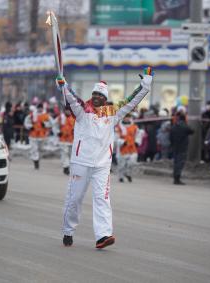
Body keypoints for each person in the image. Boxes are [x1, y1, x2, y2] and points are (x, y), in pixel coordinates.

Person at [56, 67, 154, 249]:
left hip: (102, 165)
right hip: (81, 163)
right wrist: (64, 86)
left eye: (100, 95)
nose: (96, 97)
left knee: (102, 199)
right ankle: (68, 231)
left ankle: (103, 235)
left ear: (105, 98)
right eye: (94, 94)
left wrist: (145, 84)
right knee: (74, 199)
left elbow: (132, 101)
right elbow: (72, 98)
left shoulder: (113, 112)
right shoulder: (81, 110)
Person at [24, 103, 53, 169]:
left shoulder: (46, 116)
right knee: (34, 149)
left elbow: (52, 123)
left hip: (42, 136)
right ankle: (36, 162)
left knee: (40, 149)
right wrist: (30, 127)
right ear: (37, 108)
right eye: (39, 107)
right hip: (33, 135)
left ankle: (37, 159)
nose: (40, 109)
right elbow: (26, 122)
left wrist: (45, 125)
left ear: (42, 108)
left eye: (41, 107)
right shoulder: (32, 115)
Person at [169, 112, 194, 185]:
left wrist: (172, 144)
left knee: (176, 162)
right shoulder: (185, 126)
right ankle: (177, 178)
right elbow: (192, 131)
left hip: (175, 147)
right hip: (183, 147)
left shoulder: (174, 126)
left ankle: (175, 178)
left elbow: (170, 137)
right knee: (180, 163)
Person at [115, 114, 141, 182]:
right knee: (121, 164)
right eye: (125, 117)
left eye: (128, 117)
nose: (127, 118)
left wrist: (137, 142)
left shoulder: (134, 127)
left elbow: (138, 135)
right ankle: (121, 176)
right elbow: (115, 138)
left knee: (132, 162)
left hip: (132, 148)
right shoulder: (119, 127)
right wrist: (122, 142)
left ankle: (128, 173)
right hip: (122, 148)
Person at [57, 109, 75, 175]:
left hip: (72, 139)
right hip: (63, 139)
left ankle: (71, 167)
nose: (67, 112)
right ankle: (66, 167)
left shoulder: (74, 118)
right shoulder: (60, 117)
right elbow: (54, 125)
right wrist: (58, 132)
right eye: (66, 110)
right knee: (64, 153)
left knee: (72, 155)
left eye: (69, 110)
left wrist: (75, 131)